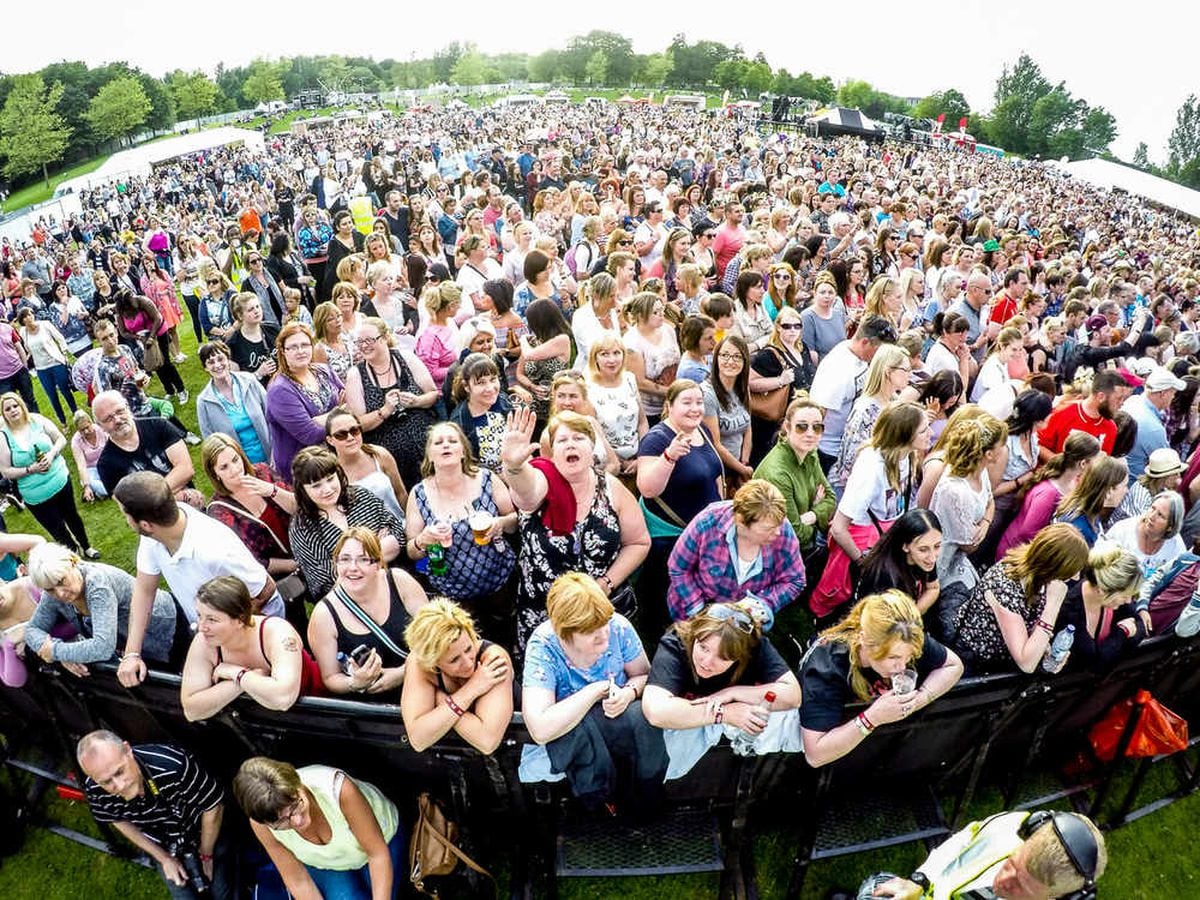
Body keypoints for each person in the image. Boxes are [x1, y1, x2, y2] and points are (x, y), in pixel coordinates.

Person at [112, 471, 284, 687]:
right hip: (213, 632)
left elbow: (265, 590)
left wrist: (232, 647)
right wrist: (131, 654)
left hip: (255, 628)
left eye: (125, 515)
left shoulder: (214, 549)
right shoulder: (152, 537)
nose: (126, 521)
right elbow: (145, 590)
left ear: (145, 524)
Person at [501, 408, 650, 652]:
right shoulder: (542, 480)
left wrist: (606, 583)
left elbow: (639, 542)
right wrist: (515, 467)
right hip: (545, 613)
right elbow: (526, 494)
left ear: (592, 447)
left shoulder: (611, 488)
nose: (570, 444)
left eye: (578, 438)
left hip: (599, 611)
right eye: (562, 440)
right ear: (551, 451)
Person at [519, 572, 667, 817]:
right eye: (591, 632)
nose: (604, 636)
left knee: (643, 719)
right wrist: (595, 691)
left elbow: (644, 676)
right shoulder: (544, 646)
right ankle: (597, 801)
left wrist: (629, 693)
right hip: (578, 731)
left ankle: (644, 795)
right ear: (565, 632)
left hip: (621, 721)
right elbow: (540, 727)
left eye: (604, 624)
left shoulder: (618, 626)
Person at [799, 590, 963, 767]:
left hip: (878, 756)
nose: (901, 667)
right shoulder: (826, 669)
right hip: (830, 766)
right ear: (864, 640)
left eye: (908, 658)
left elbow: (954, 666)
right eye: (893, 658)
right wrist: (872, 718)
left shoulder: (905, 634)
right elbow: (815, 755)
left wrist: (917, 701)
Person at [642, 602, 802, 779]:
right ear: (695, 634)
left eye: (723, 657)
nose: (707, 662)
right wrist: (724, 713)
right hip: (679, 736)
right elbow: (655, 710)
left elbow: (792, 695)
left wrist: (732, 693)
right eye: (703, 647)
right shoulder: (678, 641)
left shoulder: (755, 646)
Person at [813, 401, 932, 626]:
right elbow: (839, 528)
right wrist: (863, 561)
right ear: (905, 435)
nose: (930, 433)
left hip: (885, 535)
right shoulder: (872, 468)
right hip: (860, 540)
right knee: (842, 598)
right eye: (924, 429)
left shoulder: (908, 455)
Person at [78, 730, 234, 899]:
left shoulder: (173, 765)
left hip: (203, 833)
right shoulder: (94, 790)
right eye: (106, 782)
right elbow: (117, 820)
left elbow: (213, 806)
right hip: (163, 844)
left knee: (222, 894)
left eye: (119, 772)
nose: (120, 785)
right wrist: (163, 857)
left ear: (128, 749)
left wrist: (206, 854)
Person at [234, 756, 403, 900]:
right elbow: (297, 879)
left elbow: (378, 854)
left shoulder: (339, 789)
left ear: (297, 783)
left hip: (382, 844)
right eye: (282, 822)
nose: (297, 821)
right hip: (328, 864)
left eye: (295, 805)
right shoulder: (261, 826)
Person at [862, 809, 1106, 900]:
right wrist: (919, 881)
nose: (1003, 881)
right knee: (874, 886)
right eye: (1012, 865)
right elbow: (962, 841)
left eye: (1021, 887)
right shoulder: (1011, 827)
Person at [948, 524, 1090, 674]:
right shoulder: (1005, 587)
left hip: (1000, 657)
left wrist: (1044, 648)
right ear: (1054, 566)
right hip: (974, 661)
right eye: (1073, 570)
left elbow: (1032, 624)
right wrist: (1053, 605)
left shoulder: (1038, 577)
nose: (1076, 577)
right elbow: (1026, 663)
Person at [24, 542, 186, 674]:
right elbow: (31, 629)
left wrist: (55, 651)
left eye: (61, 581)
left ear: (73, 561)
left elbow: (103, 647)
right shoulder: (52, 591)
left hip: (171, 631)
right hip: (137, 646)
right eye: (49, 589)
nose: (59, 593)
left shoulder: (98, 585)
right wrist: (59, 653)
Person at [406, 422, 517, 613]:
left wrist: (500, 523)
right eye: (438, 442)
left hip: (500, 582)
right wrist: (423, 540)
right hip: (451, 595)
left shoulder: (487, 479)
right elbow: (412, 552)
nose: (446, 445)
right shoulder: (418, 494)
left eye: (452, 441)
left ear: (463, 451)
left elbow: (514, 522)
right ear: (430, 456)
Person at [308, 527, 428, 697]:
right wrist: (355, 683)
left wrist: (403, 672)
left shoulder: (399, 581)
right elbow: (330, 677)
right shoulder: (324, 615)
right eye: (345, 559)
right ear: (336, 564)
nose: (353, 568)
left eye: (363, 559)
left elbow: (434, 634)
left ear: (378, 563)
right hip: (375, 703)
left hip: (424, 682)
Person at [666, 479, 805, 623]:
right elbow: (679, 569)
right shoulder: (707, 522)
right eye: (768, 529)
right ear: (740, 522)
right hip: (693, 613)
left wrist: (761, 605)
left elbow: (795, 580)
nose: (778, 533)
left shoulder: (782, 530)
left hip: (742, 624)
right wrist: (700, 613)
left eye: (779, 525)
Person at [180, 576, 315, 720]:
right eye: (199, 616)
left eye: (212, 619)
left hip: (314, 713)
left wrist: (236, 673)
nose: (201, 627)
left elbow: (283, 698)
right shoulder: (206, 641)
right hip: (257, 724)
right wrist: (241, 680)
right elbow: (191, 710)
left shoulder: (277, 632)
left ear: (240, 620)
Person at [288, 447, 405, 599]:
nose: (327, 489)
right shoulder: (302, 529)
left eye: (330, 479)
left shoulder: (361, 496)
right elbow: (324, 583)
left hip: (394, 582)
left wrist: (348, 563)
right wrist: (377, 548)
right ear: (302, 489)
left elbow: (399, 536)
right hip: (352, 601)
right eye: (316, 485)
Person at [401, 598, 514, 754]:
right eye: (454, 660)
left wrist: (441, 700)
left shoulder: (493, 659)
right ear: (433, 662)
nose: (468, 663)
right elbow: (418, 740)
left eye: (468, 648)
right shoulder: (418, 663)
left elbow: (487, 741)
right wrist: (471, 690)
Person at [344, 316, 439, 490]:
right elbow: (358, 425)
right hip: (390, 458)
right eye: (360, 342)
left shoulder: (405, 358)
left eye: (370, 340)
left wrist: (416, 401)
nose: (364, 345)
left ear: (385, 337)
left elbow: (433, 393)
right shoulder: (355, 376)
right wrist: (384, 411)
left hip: (425, 445)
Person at [0, 392, 97, 556]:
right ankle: (73, 553)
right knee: (57, 528)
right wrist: (31, 469)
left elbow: (60, 439)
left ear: (22, 406)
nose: (13, 410)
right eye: (8, 409)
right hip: (35, 495)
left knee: (72, 516)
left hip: (59, 480)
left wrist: (51, 454)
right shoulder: (3, 437)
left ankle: (86, 546)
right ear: (4, 414)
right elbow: (6, 471)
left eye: (15, 405)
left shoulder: (36, 420)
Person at [928, 411, 1006, 597]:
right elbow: (969, 544)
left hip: (959, 560)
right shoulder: (956, 491)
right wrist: (986, 521)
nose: (1004, 448)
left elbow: (990, 501)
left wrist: (984, 523)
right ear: (988, 454)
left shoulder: (980, 470)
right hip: (939, 561)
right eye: (1001, 445)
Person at [201, 433, 298, 578]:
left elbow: (299, 506)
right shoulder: (219, 510)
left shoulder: (262, 472)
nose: (235, 469)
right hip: (277, 577)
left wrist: (272, 491)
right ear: (215, 474)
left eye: (235, 460)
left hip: (305, 549)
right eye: (224, 467)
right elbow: (250, 560)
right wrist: (294, 565)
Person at [753, 397, 837, 564]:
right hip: (774, 557)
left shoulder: (810, 453)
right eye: (802, 427)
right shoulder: (778, 474)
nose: (810, 433)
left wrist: (812, 514)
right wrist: (818, 510)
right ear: (787, 426)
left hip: (798, 552)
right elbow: (795, 533)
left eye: (817, 427)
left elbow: (831, 498)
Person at [808, 316, 896, 471]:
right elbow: (819, 409)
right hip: (828, 450)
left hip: (847, 444)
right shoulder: (838, 368)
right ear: (865, 342)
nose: (880, 357)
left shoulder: (857, 355)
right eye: (878, 351)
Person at [998, 431, 1100, 558]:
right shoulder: (1048, 494)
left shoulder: (1073, 482)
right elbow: (1028, 533)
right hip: (1015, 554)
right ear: (1083, 464)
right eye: (1095, 461)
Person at [92, 391, 201, 507]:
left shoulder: (159, 426)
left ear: (127, 406)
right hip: (156, 521)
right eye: (108, 419)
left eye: (120, 411)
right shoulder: (106, 465)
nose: (117, 420)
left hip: (192, 507)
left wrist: (151, 499)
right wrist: (173, 497)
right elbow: (131, 505)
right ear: (100, 426)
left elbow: (186, 469)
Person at [828, 344, 913, 492]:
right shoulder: (866, 410)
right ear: (888, 371)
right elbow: (851, 460)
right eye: (906, 370)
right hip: (856, 490)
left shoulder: (893, 402)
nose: (910, 374)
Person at [265, 322, 345, 478]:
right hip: (304, 469)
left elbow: (351, 404)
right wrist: (338, 412)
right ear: (283, 352)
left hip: (335, 457)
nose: (300, 351)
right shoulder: (280, 390)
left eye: (305, 345)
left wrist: (319, 419)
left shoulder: (324, 371)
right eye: (293, 347)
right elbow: (310, 434)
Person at [1056, 546, 1146, 673]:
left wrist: (1111, 648)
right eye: (1125, 595)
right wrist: (1122, 632)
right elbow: (1095, 663)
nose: (1129, 601)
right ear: (1103, 589)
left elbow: (1140, 627)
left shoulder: (1113, 600)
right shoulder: (1069, 610)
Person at [196, 341, 272, 465]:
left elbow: (271, 415)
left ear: (228, 360)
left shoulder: (250, 381)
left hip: (271, 455)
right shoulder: (204, 401)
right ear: (205, 368)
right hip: (239, 467)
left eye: (220, 359)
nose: (217, 365)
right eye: (210, 362)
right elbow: (210, 442)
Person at [324, 406, 407, 519]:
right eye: (341, 435)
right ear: (330, 440)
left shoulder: (379, 454)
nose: (350, 438)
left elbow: (401, 493)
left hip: (399, 525)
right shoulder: (331, 471)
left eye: (355, 430)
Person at [1100, 491, 1186, 582]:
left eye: (1160, 515)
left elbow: (1178, 580)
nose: (1152, 516)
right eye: (1152, 508)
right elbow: (1100, 561)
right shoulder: (1123, 529)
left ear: (1170, 526)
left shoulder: (1176, 546)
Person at [14, 307, 76, 423]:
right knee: (52, 396)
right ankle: (63, 421)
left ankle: (76, 413)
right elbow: (28, 349)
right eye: (25, 316)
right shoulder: (23, 332)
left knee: (65, 390)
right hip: (41, 368)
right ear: (22, 320)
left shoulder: (45, 325)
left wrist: (64, 353)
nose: (29, 317)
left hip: (56, 362)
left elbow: (60, 338)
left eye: (30, 314)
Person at [1053, 454, 1129, 547]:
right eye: (1124, 486)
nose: (1126, 491)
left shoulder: (1088, 510)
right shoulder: (1079, 530)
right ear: (1109, 491)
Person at [225, 293, 280, 385]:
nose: (256, 311)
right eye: (251, 309)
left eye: (258, 306)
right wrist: (258, 374)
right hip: (258, 394)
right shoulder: (233, 345)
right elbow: (236, 383)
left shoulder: (274, 329)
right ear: (240, 315)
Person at [70, 409, 109, 502]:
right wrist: (86, 486)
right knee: (90, 482)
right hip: (91, 469)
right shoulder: (76, 442)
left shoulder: (100, 429)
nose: (86, 431)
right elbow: (81, 466)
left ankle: (101, 492)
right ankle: (108, 490)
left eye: (87, 427)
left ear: (91, 422)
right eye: (82, 430)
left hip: (106, 463)